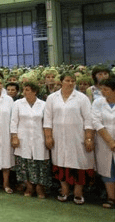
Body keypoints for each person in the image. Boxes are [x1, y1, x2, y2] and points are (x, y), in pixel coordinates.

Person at [44, 72, 94, 205]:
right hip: (58, 137)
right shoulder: (52, 98)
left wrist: (89, 138)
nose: (70, 83)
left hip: (77, 137)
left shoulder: (82, 98)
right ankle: (64, 190)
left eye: (73, 81)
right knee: (60, 164)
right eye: (67, 80)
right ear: (61, 82)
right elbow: (48, 119)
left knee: (79, 164)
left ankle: (78, 192)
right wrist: (48, 136)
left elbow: (88, 119)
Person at [10, 81, 51, 198]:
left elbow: (47, 122)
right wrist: (14, 136)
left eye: (27, 90)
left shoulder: (43, 104)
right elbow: (13, 121)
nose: (24, 92)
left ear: (35, 91)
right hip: (23, 138)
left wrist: (48, 137)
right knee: (24, 164)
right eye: (24, 89)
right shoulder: (18, 103)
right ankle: (29, 186)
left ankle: (39, 187)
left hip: (39, 138)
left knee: (41, 164)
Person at [92, 77, 115, 209]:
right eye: (102, 89)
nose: (102, 92)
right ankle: (111, 198)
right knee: (108, 171)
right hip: (104, 143)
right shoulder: (98, 102)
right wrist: (110, 141)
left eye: (106, 89)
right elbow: (96, 122)